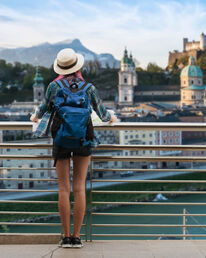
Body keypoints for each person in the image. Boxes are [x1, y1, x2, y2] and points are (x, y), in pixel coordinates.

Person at [30, 48, 117, 248]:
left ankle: (66, 236)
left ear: (60, 67)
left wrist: (34, 118)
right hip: (83, 139)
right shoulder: (89, 88)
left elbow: (41, 110)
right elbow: (103, 114)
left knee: (63, 188)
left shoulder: (54, 86)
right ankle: (77, 237)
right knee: (79, 188)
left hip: (60, 138)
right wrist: (112, 118)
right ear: (77, 66)